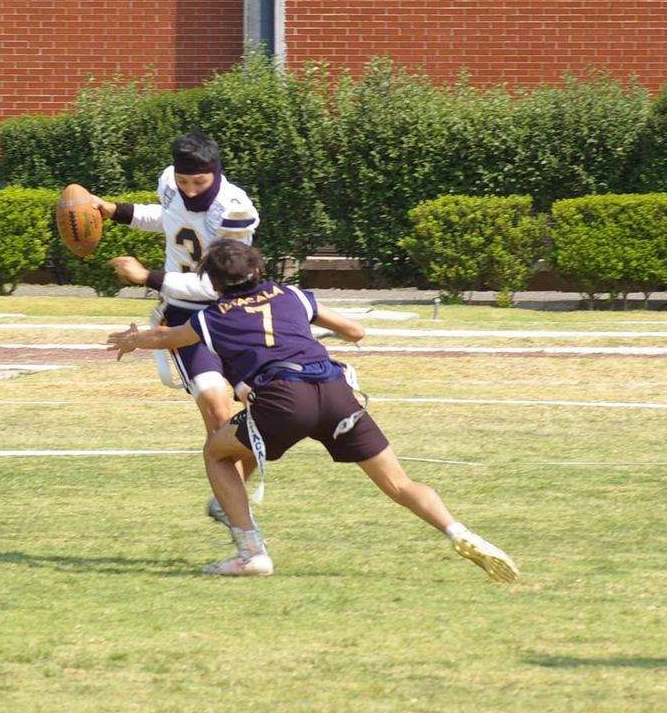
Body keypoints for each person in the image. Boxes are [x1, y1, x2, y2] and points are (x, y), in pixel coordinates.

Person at [107, 239, 520, 581]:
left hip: (284, 398)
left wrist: (132, 340)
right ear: (257, 270)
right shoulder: (292, 295)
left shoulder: (212, 318)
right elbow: (355, 331)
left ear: (212, 284)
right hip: (335, 390)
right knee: (399, 483)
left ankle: (251, 553)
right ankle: (458, 531)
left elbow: (168, 337)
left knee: (217, 452)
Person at [87, 131, 261, 537]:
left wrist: (147, 276)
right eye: (184, 181)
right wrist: (115, 211)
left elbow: (217, 285)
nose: (190, 190)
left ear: (216, 173)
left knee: (268, 417)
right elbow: (168, 218)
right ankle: (240, 521)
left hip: (232, 313)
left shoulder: (234, 209)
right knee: (218, 412)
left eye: (199, 182)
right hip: (184, 318)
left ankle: (228, 495)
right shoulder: (169, 182)